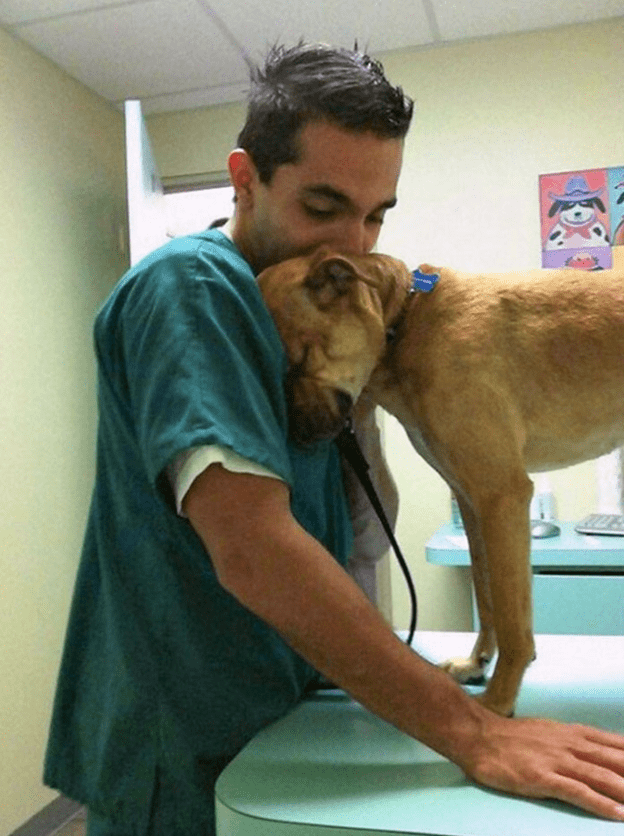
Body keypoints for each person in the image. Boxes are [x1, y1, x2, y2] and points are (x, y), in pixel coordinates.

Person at [44, 43, 624, 835]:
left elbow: (353, 529)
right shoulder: (193, 289)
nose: (355, 243)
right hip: (188, 747)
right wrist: (474, 729)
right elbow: (253, 549)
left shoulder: (323, 307)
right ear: (244, 179)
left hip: (279, 723)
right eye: (324, 208)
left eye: (377, 213)